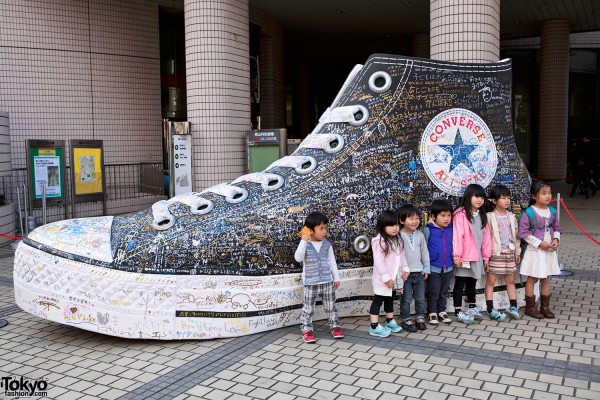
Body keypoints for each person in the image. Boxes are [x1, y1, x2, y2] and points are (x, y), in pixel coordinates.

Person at [295, 212, 343, 342]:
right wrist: (303, 240)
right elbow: (298, 258)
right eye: (321, 229)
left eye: (325, 228)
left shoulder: (327, 244)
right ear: (310, 230)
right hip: (311, 282)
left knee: (330, 306)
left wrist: (336, 278)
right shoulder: (305, 244)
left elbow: (332, 262)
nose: (324, 231)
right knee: (308, 308)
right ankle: (306, 328)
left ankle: (335, 325)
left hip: (327, 281)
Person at [518, 180, 561, 319]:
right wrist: (539, 243)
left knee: (546, 277)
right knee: (532, 278)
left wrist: (556, 239)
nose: (548, 196)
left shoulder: (552, 211)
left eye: (549, 193)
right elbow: (523, 233)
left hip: (548, 251)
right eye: (544, 193)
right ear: (534, 196)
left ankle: (545, 307)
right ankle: (530, 308)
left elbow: (557, 228)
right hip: (535, 251)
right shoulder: (528, 213)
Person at [452, 184, 492, 324]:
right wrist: (457, 256)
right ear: (468, 196)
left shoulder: (483, 216)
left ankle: (472, 307)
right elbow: (458, 236)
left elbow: (486, 238)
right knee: (460, 283)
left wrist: (486, 257)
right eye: (476, 196)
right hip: (464, 257)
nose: (479, 200)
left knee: (472, 282)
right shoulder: (460, 215)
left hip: (477, 256)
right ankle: (458, 311)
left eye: (482, 197)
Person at [369, 210, 410, 337]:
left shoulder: (398, 240)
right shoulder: (379, 241)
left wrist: (405, 270)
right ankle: (374, 326)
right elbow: (379, 262)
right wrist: (385, 278)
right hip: (382, 279)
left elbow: (402, 256)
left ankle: (389, 321)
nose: (395, 228)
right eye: (391, 225)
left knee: (389, 298)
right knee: (378, 300)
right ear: (383, 226)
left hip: (393, 278)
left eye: (397, 225)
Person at [485, 185, 521, 321]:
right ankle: (490, 308)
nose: (507, 201)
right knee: (491, 281)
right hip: (495, 253)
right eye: (503, 198)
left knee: (510, 279)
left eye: (508, 198)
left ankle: (513, 306)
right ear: (494, 201)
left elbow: (516, 236)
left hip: (509, 253)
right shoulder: (490, 216)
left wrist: (517, 251)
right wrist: (486, 257)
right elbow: (487, 238)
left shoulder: (511, 216)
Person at [398, 204, 430, 332]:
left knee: (420, 297)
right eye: (411, 218)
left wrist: (426, 268)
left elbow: (425, 252)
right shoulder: (398, 236)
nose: (415, 221)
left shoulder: (420, 235)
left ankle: (420, 317)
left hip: (419, 272)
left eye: (417, 218)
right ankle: (406, 319)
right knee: (406, 298)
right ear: (401, 220)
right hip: (405, 274)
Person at [423, 199, 454, 325]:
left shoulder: (451, 229)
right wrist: (425, 267)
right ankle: (432, 312)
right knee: (433, 291)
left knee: (443, 291)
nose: (446, 219)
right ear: (434, 216)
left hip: (448, 267)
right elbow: (423, 248)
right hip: (433, 267)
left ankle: (442, 311)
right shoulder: (428, 230)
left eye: (449, 215)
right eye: (443, 216)